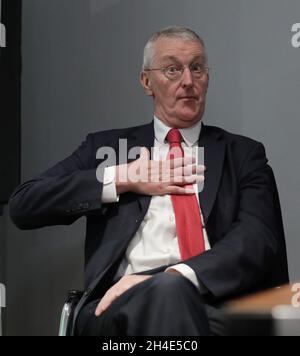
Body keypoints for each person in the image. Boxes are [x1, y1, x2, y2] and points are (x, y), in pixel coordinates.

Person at [9, 27, 289, 336]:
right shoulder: (110, 150)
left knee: (172, 294)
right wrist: (121, 178)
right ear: (147, 82)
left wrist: (177, 275)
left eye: (197, 68)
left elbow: (257, 238)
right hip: (122, 307)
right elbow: (24, 204)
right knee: (167, 300)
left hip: (215, 301)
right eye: (173, 69)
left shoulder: (242, 154)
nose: (188, 81)